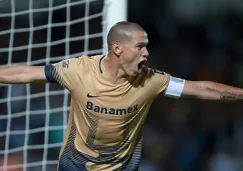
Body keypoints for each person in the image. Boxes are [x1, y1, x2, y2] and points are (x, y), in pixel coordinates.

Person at [0, 21, 243, 171]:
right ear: (117, 48)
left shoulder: (152, 80)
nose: (147, 53)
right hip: (76, 167)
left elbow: (201, 88)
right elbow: (25, 73)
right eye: (140, 47)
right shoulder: (78, 71)